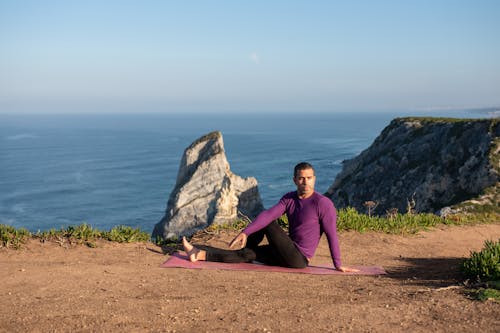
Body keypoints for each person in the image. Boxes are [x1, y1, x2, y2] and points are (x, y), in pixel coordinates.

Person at [182, 162, 358, 272]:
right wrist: (245, 232)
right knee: (247, 254)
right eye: (301, 178)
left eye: (309, 178)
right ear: (295, 180)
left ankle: (245, 244)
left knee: (268, 224)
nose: (305, 182)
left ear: (314, 179)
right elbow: (269, 213)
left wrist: (338, 264)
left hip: (299, 258)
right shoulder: (289, 198)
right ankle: (199, 254)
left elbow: (331, 234)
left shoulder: (323, 203)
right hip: (284, 251)